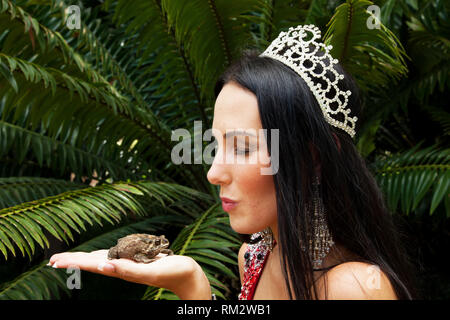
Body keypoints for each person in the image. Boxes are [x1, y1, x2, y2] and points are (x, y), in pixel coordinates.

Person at [49, 25, 417, 300]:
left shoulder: (354, 289)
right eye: (216, 146)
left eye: (242, 148)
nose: (213, 173)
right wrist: (192, 285)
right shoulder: (254, 257)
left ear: (314, 159)